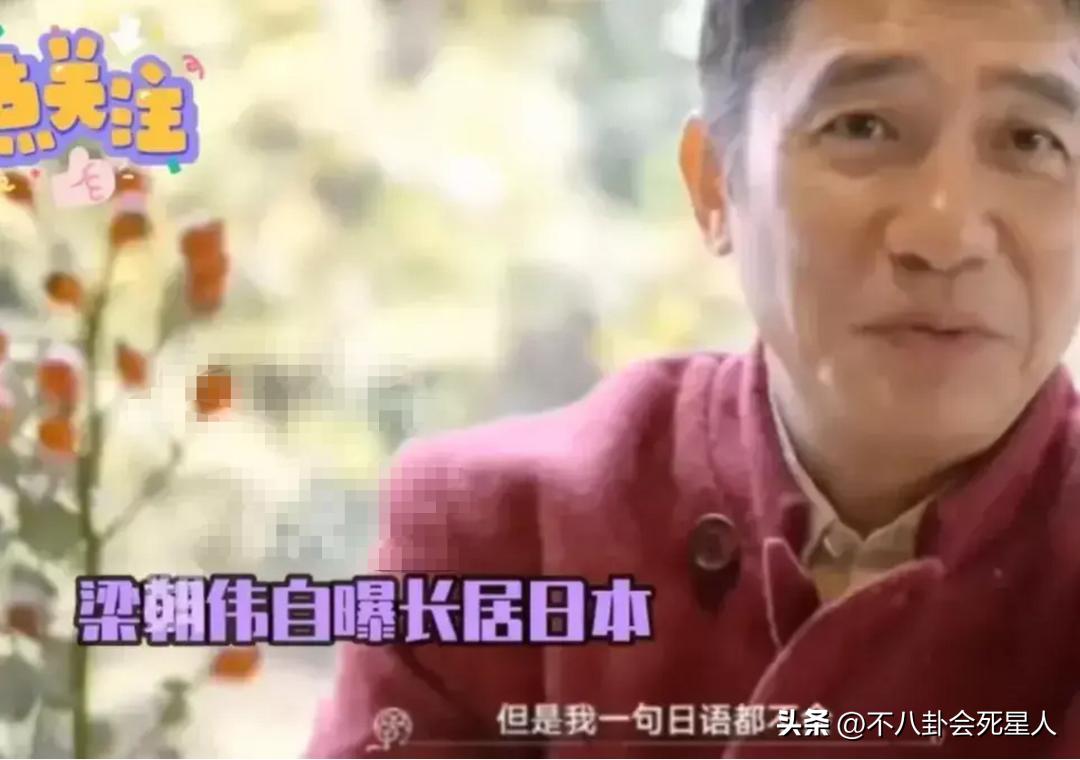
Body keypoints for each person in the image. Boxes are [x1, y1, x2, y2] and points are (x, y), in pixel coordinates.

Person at [307, 0, 1080, 756]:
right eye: (862, 127)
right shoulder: (501, 539)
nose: (946, 234)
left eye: (1031, 140)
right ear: (714, 183)